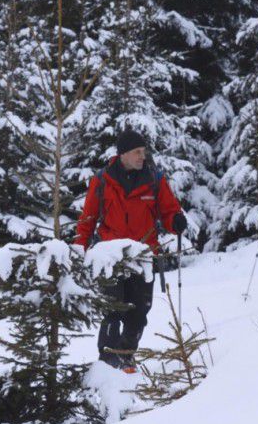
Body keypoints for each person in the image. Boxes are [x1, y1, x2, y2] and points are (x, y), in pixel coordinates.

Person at [75, 130, 187, 373]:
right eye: (137, 152)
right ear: (123, 154)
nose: (142, 156)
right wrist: (78, 250)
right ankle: (107, 363)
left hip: (143, 256)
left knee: (139, 312)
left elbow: (168, 210)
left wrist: (175, 220)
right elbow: (88, 219)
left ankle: (126, 357)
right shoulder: (102, 180)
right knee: (112, 311)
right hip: (110, 257)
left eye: (143, 152)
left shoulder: (154, 179)